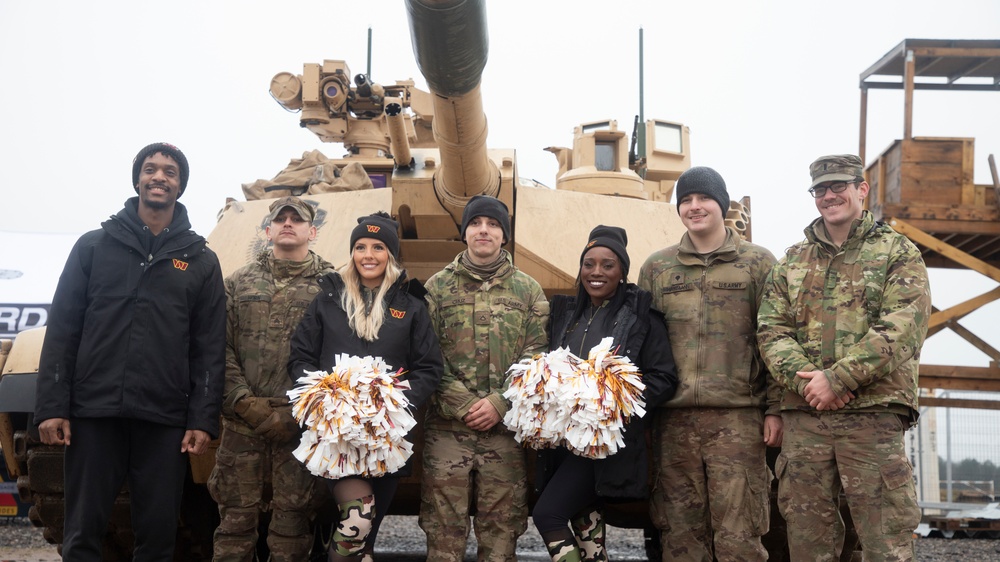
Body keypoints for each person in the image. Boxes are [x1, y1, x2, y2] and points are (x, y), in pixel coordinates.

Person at [34, 142, 226, 560]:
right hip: (94, 412)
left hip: (163, 419)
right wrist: (53, 405)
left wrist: (202, 419)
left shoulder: (200, 261)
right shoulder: (94, 246)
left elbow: (209, 348)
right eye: (151, 169)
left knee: (157, 537)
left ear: (181, 185)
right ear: (138, 178)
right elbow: (63, 329)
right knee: (83, 531)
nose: (159, 176)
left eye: (170, 171)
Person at [757, 154, 931, 561]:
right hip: (806, 417)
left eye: (839, 186)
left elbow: (903, 326)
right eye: (821, 189)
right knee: (807, 541)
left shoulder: (897, 252)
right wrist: (808, 384)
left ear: (861, 189)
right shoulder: (792, 262)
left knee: (884, 540)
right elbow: (771, 331)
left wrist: (838, 379)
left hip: (871, 416)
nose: (829, 196)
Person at [638, 166, 780, 561]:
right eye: (686, 200)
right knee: (680, 538)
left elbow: (776, 338)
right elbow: (643, 346)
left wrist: (776, 409)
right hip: (673, 422)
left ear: (722, 204)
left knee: (740, 538)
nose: (695, 207)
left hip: (737, 420)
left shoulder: (758, 264)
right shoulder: (657, 268)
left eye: (703, 199)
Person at [288, 211, 443, 561]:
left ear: (390, 254)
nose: (368, 255)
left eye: (378, 247)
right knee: (359, 515)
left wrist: (393, 404)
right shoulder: (327, 300)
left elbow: (429, 368)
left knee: (366, 537)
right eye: (360, 246)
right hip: (336, 434)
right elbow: (300, 358)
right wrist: (322, 399)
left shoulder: (411, 305)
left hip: (385, 436)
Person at [533, 225, 678, 562]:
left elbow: (664, 378)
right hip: (562, 442)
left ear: (622, 271)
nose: (596, 272)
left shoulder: (642, 319)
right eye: (589, 263)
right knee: (586, 522)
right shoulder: (566, 316)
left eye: (608, 264)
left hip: (603, 446)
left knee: (548, 515)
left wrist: (612, 401)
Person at [418, 195, 549, 562]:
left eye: (493, 225)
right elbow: (426, 356)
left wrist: (499, 402)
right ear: (464, 233)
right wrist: (462, 403)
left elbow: (536, 354)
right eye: (476, 223)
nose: (484, 231)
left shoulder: (528, 290)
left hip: (504, 430)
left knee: (502, 532)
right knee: (444, 530)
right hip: (447, 429)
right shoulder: (437, 288)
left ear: (504, 236)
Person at [208, 196, 334, 561]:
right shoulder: (238, 282)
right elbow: (219, 347)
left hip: (299, 426)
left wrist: (296, 412)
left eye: (297, 219)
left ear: (313, 231)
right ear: (268, 230)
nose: (288, 223)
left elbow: (337, 359)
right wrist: (243, 402)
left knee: (292, 528)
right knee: (234, 524)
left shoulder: (332, 287)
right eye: (281, 219)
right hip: (241, 423)